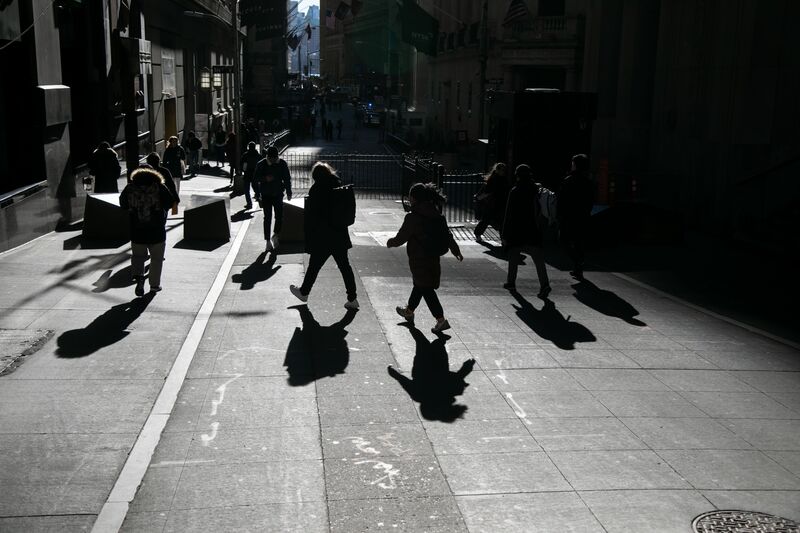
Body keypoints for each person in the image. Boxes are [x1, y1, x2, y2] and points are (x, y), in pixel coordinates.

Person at [388, 182, 463, 334]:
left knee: (426, 288)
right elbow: (446, 234)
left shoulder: (413, 217)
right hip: (433, 256)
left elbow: (402, 237)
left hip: (419, 258)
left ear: (414, 198)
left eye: (410, 197)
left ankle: (440, 320)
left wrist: (391, 242)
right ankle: (409, 311)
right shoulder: (436, 213)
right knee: (420, 284)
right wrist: (455, 249)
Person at [289, 162, 359, 309]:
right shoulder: (337, 185)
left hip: (323, 236)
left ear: (315, 176)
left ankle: (304, 292)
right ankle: (352, 298)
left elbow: (312, 216)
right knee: (345, 267)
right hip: (339, 234)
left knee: (314, 266)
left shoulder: (316, 190)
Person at [119, 167, 174, 296]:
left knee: (138, 257)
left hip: (137, 229)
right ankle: (154, 285)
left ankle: (139, 278)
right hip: (157, 230)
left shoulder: (130, 188)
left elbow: (123, 204)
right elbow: (170, 202)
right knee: (156, 259)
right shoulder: (159, 187)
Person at [502, 164, 551, 298]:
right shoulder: (537, 189)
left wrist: (505, 233)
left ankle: (511, 282)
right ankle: (545, 284)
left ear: (517, 175)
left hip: (517, 230)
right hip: (533, 230)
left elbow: (509, 214)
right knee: (539, 260)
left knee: (513, 257)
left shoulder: (515, 190)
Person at [558, 153, 594, 280]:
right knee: (579, 242)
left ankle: (577, 262)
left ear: (575, 165)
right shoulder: (588, 182)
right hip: (583, 216)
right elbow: (590, 201)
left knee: (564, 240)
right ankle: (578, 267)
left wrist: (559, 215)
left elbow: (561, 200)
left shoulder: (568, 181)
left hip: (569, 216)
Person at [254, 145, 292, 251]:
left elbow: (287, 178)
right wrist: (265, 179)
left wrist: (289, 192)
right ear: (268, 157)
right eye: (272, 158)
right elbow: (255, 179)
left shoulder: (282, 163)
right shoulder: (261, 164)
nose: (274, 160)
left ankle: (275, 234)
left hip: (278, 194)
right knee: (267, 217)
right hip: (266, 195)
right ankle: (267, 241)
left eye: (275, 158)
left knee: (279, 216)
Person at [473, 162, 509, 241]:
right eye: (502, 170)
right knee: (487, 219)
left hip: (499, 202)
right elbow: (488, 191)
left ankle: (503, 238)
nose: (503, 171)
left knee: (496, 220)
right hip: (492, 203)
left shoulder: (502, 179)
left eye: (504, 170)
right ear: (497, 170)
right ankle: (478, 233)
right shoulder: (494, 179)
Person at [240, 141, 262, 209]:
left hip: (247, 174)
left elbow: (241, 164)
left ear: (248, 147)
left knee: (246, 189)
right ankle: (259, 198)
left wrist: (242, 170)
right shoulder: (258, 155)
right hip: (255, 174)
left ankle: (249, 203)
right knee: (256, 187)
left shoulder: (245, 155)